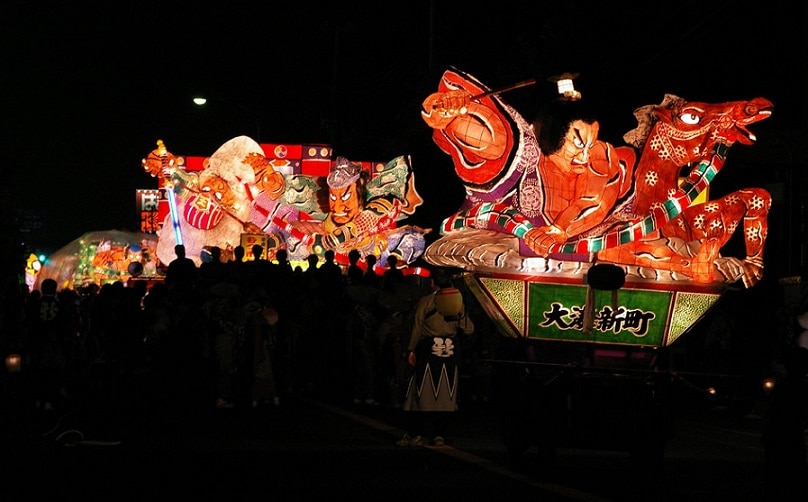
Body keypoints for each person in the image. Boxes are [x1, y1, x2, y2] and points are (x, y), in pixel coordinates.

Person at [396, 270, 475, 447]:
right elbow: (469, 329)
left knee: (421, 392)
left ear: (433, 283)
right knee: (446, 394)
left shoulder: (427, 301)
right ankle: (439, 434)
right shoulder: (458, 304)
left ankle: (416, 434)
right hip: (450, 350)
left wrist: (410, 349)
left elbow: (417, 327)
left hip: (428, 349)